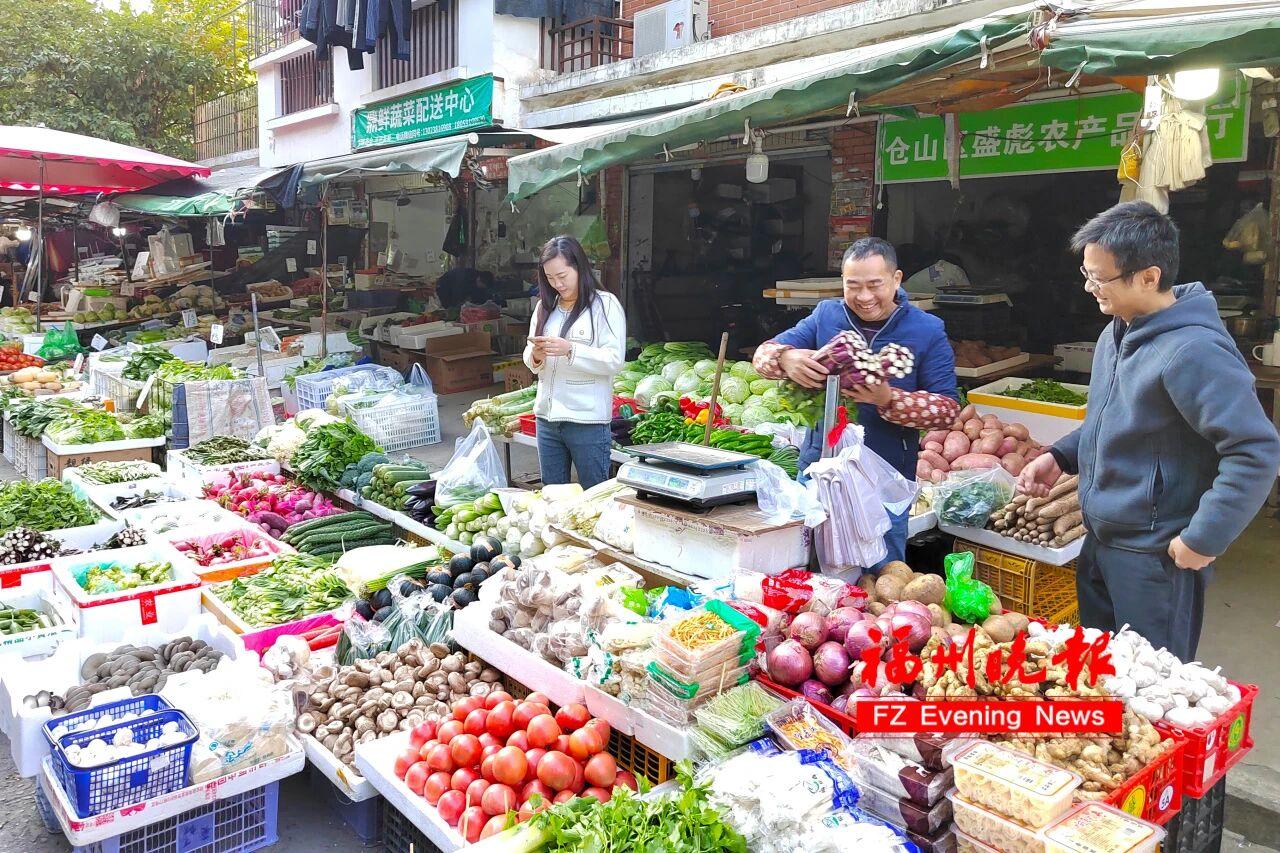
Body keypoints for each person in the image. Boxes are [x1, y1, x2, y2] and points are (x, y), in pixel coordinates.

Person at [1018, 201, 1280, 661]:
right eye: (1087, 274)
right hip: (1101, 541)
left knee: (1151, 688)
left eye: (1100, 278)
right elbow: (1111, 421)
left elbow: (1255, 450)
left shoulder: (1194, 351)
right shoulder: (1116, 332)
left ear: (1149, 277)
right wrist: (1059, 456)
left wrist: (1203, 539)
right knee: (1102, 675)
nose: (1089, 288)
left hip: (1156, 554)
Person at [753, 237, 960, 565]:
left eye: (875, 285)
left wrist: (889, 399)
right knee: (808, 563)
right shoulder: (826, 315)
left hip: (886, 473)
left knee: (880, 569)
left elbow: (947, 410)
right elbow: (762, 355)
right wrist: (785, 358)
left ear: (896, 279)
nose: (864, 297)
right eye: (853, 286)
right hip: (820, 466)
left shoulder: (926, 330)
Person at [522, 235, 626, 490]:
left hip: (586, 422)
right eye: (549, 278)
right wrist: (536, 355)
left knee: (594, 495)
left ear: (579, 267)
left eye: (562, 275)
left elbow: (614, 361)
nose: (557, 283)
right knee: (552, 495)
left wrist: (571, 350)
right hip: (547, 419)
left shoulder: (605, 305)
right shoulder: (545, 308)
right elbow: (529, 356)